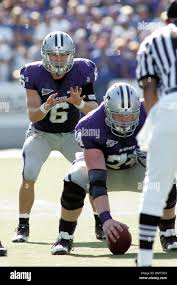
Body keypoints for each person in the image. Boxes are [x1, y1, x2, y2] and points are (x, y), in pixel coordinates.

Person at [12, 31, 98, 243]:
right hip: (41, 133)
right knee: (28, 174)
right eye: (54, 55)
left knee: (93, 175)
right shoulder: (33, 73)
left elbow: (94, 111)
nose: (58, 59)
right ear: (44, 55)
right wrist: (46, 105)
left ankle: (100, 222)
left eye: (63, 54)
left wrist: (78, 102)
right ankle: (23, 225)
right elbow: (32, 115)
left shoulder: (82, 70)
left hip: (71, 133)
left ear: (71, 55)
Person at [51, 82, 147, 255]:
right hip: (104, 172)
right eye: (118, 116)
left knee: (166, 180)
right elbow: (97, 179)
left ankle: (168, 234)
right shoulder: (90, 126)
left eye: (130, 115)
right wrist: (106, 219)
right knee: (73, 180)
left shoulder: (151, 115)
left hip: (134, 168)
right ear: (107, 111)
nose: (125, 121)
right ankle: (64, 237)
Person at [136, 1, 177, 266]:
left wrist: (157, 125)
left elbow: (149, 90)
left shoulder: (152, 41)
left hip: (169, 108)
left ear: (166, 20)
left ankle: (145, 259)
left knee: (155, 188)